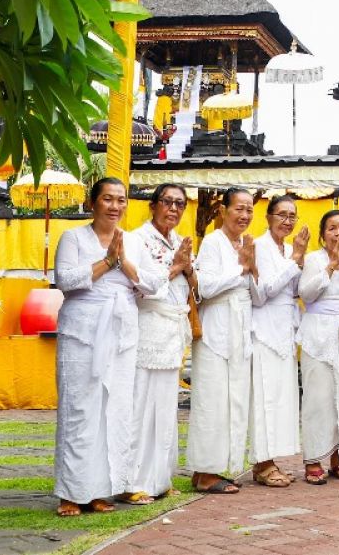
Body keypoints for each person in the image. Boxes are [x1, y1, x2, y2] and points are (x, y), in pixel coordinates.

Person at [54, 178, 164, 517]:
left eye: (121, 200)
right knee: (79, 410)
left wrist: (123, 262)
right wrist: (107, 262)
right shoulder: (72, 237)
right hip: (82, 332)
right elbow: (66, 280)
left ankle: (102, 489)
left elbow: (155, 282)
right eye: (107, 199)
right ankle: (72, 492)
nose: (115, 206)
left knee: (114, 411)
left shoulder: (133, 241)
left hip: (121, 332)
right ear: (93, 203)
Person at [124, 184, 195, 504]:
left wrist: (189, 268)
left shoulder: (181, 241)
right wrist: (177, 266)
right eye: (168, 202)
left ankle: (160, 478)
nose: (174, 209)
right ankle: (131, 481)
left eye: (180, 204)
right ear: (153, 205)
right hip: (149, 325)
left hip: (173, 329)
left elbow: (194, 286)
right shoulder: (136, 239)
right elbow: (140, 285)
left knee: (166, 408)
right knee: (140, 406)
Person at [187, 187, 258, 494]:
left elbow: (254, 290)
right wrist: (241, 269)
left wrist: (251, 273)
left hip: (240, 327)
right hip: (216, 329)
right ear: (223, 211)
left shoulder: (246, 244)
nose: (244, 215)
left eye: (249, 210)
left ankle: (221, 467)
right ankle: (204, 472)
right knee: (211, 401)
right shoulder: (214, 243)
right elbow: (205, 287)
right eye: (238, 208)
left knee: (234, 402)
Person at [248, 195, 310, 488]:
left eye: (292, 216)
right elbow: (261, 293)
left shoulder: (288, 249)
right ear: (269, 217)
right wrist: (295, 261)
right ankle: (262, 463)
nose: (287, 221)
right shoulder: (258, 247)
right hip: (263, 330)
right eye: (282, 215)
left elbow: (294, 290)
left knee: (282, 399)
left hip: (285, 331)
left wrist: (299, 259)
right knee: (265, 399)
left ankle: (272, 459)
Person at [298, 209, 339, 484]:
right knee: (318, 396)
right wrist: (329, 267)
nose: (338, 234)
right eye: (332, 229)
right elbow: (306, 293)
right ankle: (313, 458)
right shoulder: (312, 259)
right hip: (318, 332)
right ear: (323, 234)